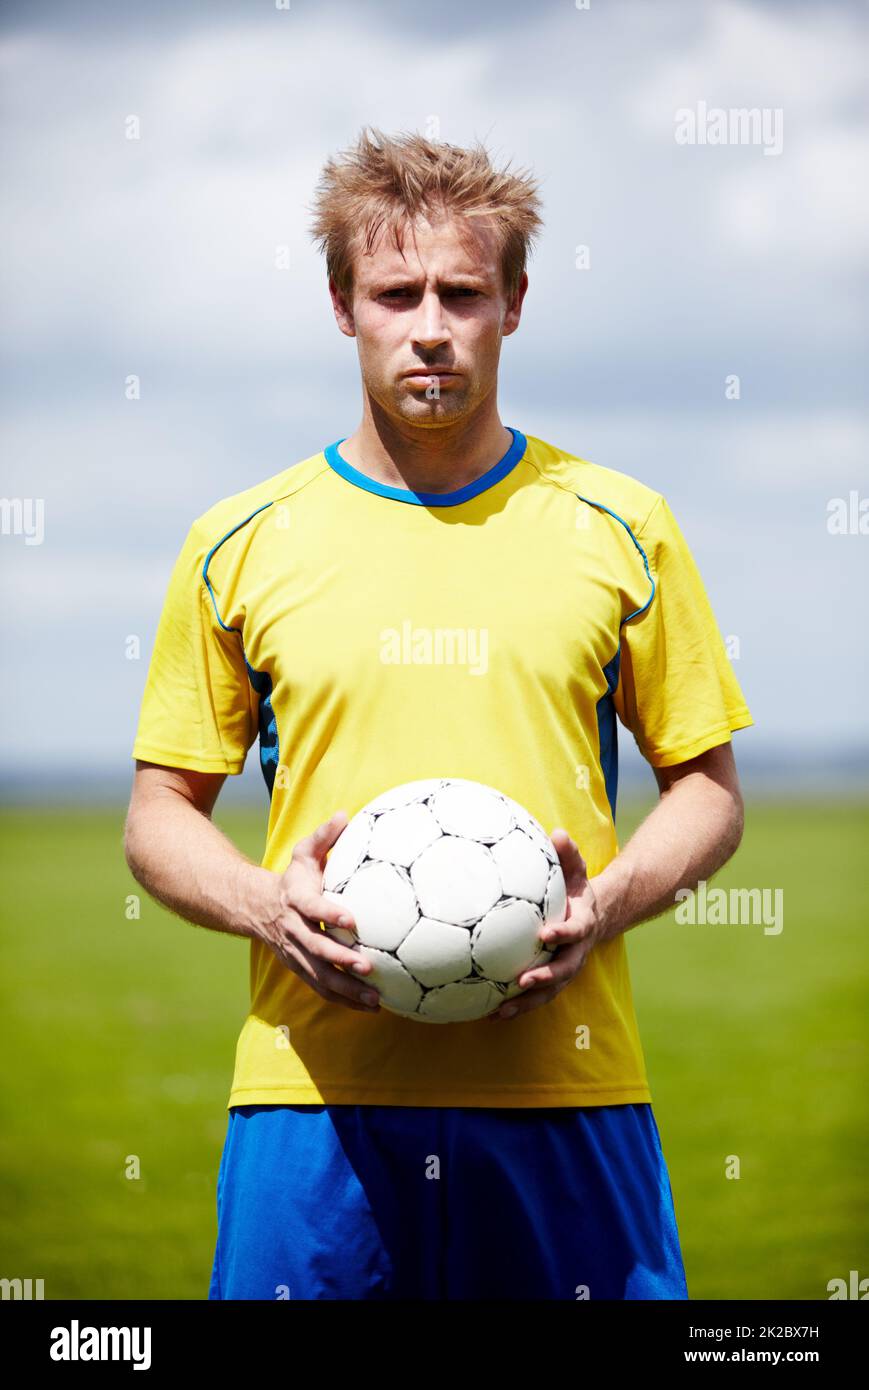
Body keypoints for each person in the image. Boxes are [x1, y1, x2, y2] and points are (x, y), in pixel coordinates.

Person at [125, 126, 752, 1300]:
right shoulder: (236, 541)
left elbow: (706, 788)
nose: (428, 325)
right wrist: (270, 907)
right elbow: (158, 814)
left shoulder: (620, 524)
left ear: (512, 303)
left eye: (460, 293)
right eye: (394, 292)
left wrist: (602, 903)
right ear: (339, 304)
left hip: (565, 1084)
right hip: (309, 1097)